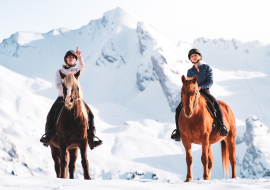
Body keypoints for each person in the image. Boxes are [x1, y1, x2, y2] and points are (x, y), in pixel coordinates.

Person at [40, 47, 102, 149]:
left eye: (73, 57)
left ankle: (92, 139)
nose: (71, 58)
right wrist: (66, 93)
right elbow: (57, 85)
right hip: (62, 98)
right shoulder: (60, 71)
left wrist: (80, 57)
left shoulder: (76, 70)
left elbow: (82, 65)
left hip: (76, 99)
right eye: (69, 57)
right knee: (51, 114)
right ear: (65, 59)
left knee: (90, 115)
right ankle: (48, 136)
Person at [171, 48, 229, 141]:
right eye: (192, 56)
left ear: (200, 57)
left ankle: (222, 126)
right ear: (190, 59)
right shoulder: (190, 71)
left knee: (215, 104)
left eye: (195, 55)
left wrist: (201, 87)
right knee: (178, 109)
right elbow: (189, 83)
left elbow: (210, 82)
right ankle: (178, 131)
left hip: (204, 91)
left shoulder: (207, 68)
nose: (194, 57)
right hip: (193, 93)